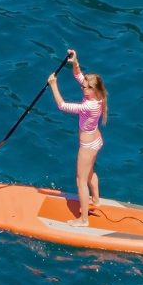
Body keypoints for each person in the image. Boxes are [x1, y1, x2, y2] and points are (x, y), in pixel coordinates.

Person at [49, 49, 108, 223]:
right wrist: (74, 61)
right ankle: (96, 200)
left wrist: (53, 85)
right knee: (90, 172)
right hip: (96, 140)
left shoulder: (89, 105)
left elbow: (62, 105)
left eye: (85, 87)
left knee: (80, 180)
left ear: (93, 89)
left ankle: (83, 221)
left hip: (88, 146)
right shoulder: (99, 96)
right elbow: (78, 75)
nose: (82, 89)